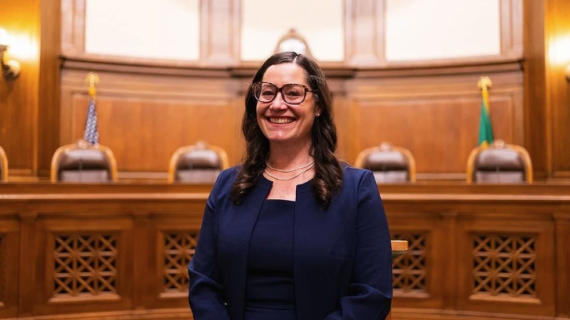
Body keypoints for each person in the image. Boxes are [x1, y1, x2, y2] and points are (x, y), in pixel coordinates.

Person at [188, 52, 392, 320]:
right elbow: (204, 284)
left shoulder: (356, 188)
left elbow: (372, 294)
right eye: (268, 92)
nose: (277, 104)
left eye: (293, 93)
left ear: (318, 106)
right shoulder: (228, 184)